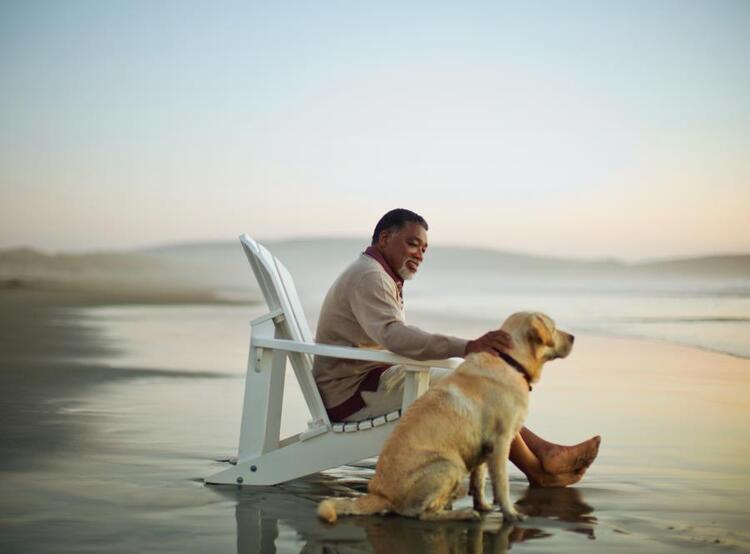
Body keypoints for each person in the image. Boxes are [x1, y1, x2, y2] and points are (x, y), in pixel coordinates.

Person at [313, 208, 600, 486]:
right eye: (413, 244)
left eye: (424, 249)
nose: (419, 255)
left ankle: (545, 455)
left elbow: (390, 340)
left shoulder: (377, 273)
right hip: (355, 394)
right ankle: (539, 467)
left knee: (476, 384)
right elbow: (395, 336)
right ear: (385, 239)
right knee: (476, 391)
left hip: (367, 381)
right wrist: (468, 347)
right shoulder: (371, 276)